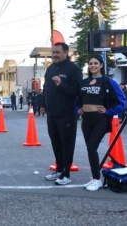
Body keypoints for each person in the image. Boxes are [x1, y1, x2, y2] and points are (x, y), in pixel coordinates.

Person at [77, 55, 126, 191]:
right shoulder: (84, 82)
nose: (93, 65)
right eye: (90, 63)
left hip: (101, 120)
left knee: (92, 147)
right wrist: (78, 109)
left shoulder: (108, 82)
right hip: (86, 120)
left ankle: (97, 179)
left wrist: (109, 111)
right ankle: (94, 178)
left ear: (101, 65)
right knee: (90, 149)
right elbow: (76, 100)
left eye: (96, 63)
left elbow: (122, 101)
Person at [41, 42, 82, 185]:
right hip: (52, 113)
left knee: (66, 143)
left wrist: (61, 84)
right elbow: (46, 88)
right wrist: (43, 105)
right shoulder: (51, 68)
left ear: (66, 52)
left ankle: (66, 174)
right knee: (55, 142)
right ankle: (58, 170)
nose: (55, 55)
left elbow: (76, 90)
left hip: (67, 114)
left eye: (58, 52)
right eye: (53, 52)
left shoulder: (73, 69)